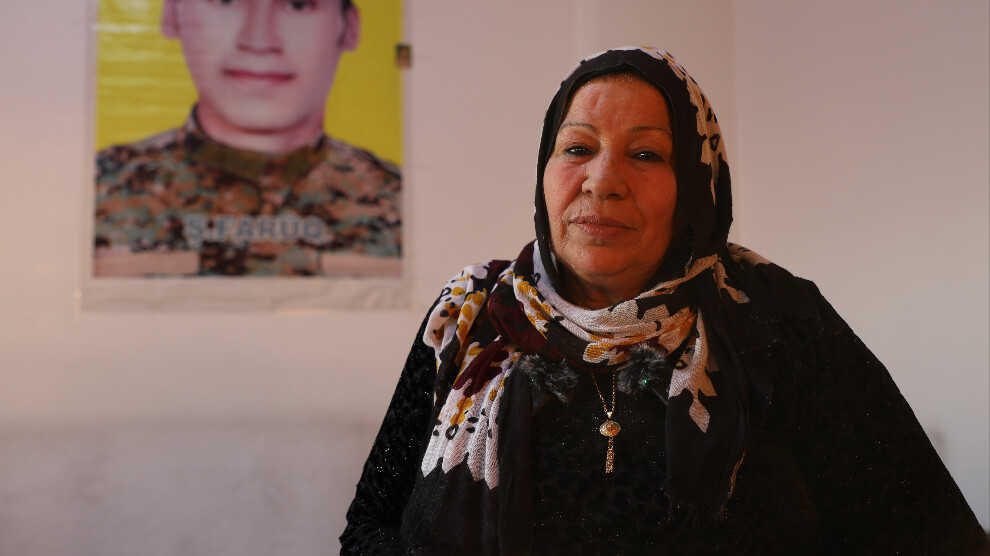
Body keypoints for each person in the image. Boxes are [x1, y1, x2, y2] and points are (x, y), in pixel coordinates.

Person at [340, 47, 988, 554]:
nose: (602, 181)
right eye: (577, 148)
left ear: (697, 185)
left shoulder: (779, 323)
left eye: (646, 153)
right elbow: (369, 528)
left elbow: (933, 535)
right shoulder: (468, 317)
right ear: (544, 171)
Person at [94, 0, 401, 277]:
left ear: (349, 28)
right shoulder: (92, 194)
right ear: (172, 14)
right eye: (226, 0)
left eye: (298, 4)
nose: (258, 41)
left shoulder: (405, 206)